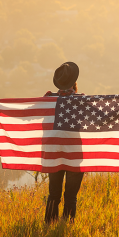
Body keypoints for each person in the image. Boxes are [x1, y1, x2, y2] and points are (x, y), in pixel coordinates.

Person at [44, 61, 84, 223]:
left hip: (54, 153)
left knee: (54, 194)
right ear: (75, 83)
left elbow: (28, 112)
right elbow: (103, 115)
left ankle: (49, 225)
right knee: (71, 196)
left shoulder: (48, 99)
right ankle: (66, 226)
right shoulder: (82, 101)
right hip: (74, 154)